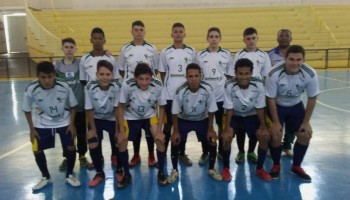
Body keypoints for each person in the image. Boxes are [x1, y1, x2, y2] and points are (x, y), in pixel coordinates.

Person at [22, 61, 81, 191]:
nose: (47, 80)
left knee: (71, 146)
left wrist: (72, 124)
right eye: (43, 77)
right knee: (36, 148)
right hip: (42, 122)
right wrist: (32, 130)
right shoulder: (31, 88)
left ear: (54, 75)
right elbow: (26, 110)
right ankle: (45, 177)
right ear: (38, 76)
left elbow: (73, 106)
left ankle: (69, 175)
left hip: (64, 121)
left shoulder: (64, 85)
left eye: (50, 76)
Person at [265, 45, 319, 181]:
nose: (295, 63)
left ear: (303, 60)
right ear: (285, 59)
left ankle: (296, 166)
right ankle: (276, 165)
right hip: (277, 106)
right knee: (276, 135)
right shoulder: (273, 73)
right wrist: (276, 122)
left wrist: (306, 122)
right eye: (292, 59)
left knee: (305, 134)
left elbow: (312, 98)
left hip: (296, 106)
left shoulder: (310, 74)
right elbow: (270, 98)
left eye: (299, 60)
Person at [117, 63, 169, 189]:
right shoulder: (127, 84)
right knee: (122, 141)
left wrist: (160, 131)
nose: (144, 82)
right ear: (135, 77)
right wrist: (120, 130)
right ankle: (127, 174)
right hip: (130, 116)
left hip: (149, 115)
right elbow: (120, 107)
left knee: (160, 141)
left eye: (147, 79)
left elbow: (162, 107)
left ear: (152, 77)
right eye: (141, 79)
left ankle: (161, 172)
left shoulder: (157, 85)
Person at [168, 63, 222, 184]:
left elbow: (211, 109)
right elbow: (174, 112)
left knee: (212, 140)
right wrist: (175, 131)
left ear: (201, 76)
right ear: (186, 77)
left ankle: (211, 169)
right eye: (190, 76)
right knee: (176, 140)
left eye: (196, 76)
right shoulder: (180, 90)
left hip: (202, 119)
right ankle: (175, 170)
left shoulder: (207, 88)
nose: (193, 79)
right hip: (184, 119)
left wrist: (211, 128)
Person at [226, 27, 272, 164]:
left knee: (254, 128)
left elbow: (267, 77)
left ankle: (252, 151)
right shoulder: (239, 55)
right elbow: (231, 76)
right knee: (240, 128)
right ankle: (241, 151)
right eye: (248, 39)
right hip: (240, 94)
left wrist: (264, 96)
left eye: (253, 38)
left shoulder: (264, 55)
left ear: (257, 38)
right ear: (244, 40)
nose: (251, 41)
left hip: (257, 95)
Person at [221, 58, 271, 182]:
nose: (244, 77)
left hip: (252, 115)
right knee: (226, 138)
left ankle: (260, 168)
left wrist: (264, 127)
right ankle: (226, 168)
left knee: (265, 137)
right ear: (235, 73)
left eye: (247, 73)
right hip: (235, 115)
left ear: (251, 73)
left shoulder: (259, 84)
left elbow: (260, 108)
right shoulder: (229, 85)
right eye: (240, 74)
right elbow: (229, 109)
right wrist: (226, 129)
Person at [117, 20, 158, 167]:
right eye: (136, 30)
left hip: (147, 90)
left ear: (144, 31)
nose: (139, 32)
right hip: (132, 93)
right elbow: (121, 70)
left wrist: (145, 81)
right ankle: (136, 154)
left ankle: (152, 155)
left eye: (141, 29)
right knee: (134, 125)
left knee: (149, 126)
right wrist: (132, 83)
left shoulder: (152, 48)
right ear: (132, 31)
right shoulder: (125, 49)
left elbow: (156, 69)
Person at [79, 27, 120, 167]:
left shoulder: (110, 58)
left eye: (100, 38)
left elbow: (115, 78)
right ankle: (98, 158)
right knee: (95, 133)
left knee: (113, 132)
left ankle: (115, 156)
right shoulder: (84, 58)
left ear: (104, 40)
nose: (97, 41)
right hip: (93, 101)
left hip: (108, 98)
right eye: (95, 38)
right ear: (91, 40)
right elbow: (83, 80)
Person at [158, 22, 196, 166]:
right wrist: (169, 87)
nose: (178, 33)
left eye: (181, 31)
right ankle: (163, 152)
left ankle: (181, 153)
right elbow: (162, 73)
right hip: (169, 95)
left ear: (184, 34)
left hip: (185, 95)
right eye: (176, 31)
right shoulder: (165, 52)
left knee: (182, 126)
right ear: (172, 34)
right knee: (168, 127)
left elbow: (194, 71)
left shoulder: (191, 51)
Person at [195, 27, 232, 164]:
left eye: (216, 36)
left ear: (220, 38)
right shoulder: (200, 55)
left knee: (222, 126)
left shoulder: (226, 54)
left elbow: (229, 75)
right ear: (207, 38)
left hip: (221, 97)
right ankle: (206, 152)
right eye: (211, 36)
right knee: (206, 126)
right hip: (206, 98)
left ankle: (222, 151)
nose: (214, 39)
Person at [54, 37, 92, 170]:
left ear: (75, 49)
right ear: (62, 49)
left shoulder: (81, 63)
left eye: (71, 47)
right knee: (66, 133)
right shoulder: (57, 65)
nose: (69, 50)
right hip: (64, 107)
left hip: (80, 105)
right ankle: (67, 157)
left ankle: (82, 156)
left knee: (81, 133)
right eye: (66, 47)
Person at [85, 60, 122, 187]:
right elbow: (89, 109)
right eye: (102, 74)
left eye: (108, 74)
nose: (105, 77)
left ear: (112, 75)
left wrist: (118, 128)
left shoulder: (117, 87)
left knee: (119, 139)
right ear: (97, 75)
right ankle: (99, 172)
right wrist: (93, 129)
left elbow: (118, 109)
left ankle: (119, 169)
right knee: (92, 139)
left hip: (112, 118)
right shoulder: (89, 87)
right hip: (96, 118)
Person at [267, 29, 294, 158]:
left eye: (286, 36)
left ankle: (287, 145)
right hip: (275, 96)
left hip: (292, 94)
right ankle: (270, 145)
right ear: (277, 38)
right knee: (274, 122)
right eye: (281, 36)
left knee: (292, 122)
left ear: (291, 38)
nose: (284, 38)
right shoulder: (270, 54)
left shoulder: (296, 53)